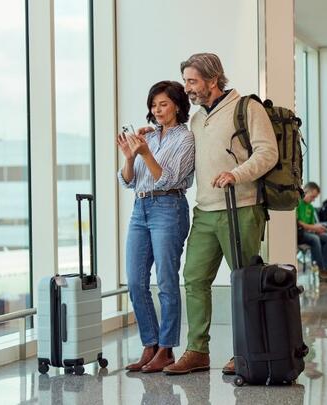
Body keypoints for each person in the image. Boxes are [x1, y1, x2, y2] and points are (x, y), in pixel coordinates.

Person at [163, 53, 278, 376]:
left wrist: (236, 174)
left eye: (193, 81)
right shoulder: (198, 118)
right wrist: (157, 133)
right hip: (205, 211)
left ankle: (246, 351)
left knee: (244, 282)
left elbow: (268, 152)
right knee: (195, 279)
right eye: (186, 81)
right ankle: (197, 351)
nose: (187, 88)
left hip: (241, 208)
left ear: (213, 80)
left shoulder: (247, 108)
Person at [116, 80, 195, 373]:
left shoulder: (184, 139)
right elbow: (128, 180)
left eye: (163, 104)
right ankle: (149, 344)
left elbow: (167, 178)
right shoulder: (148, 136)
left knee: (165, 280)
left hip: (168, 207)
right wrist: (130, 157)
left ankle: (166, 348)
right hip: (141, 207)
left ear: (176, 104)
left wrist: (146, 153)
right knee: (135, 281)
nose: (157, 110)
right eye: (153, 105)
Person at [296, 182, 327, 282]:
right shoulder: (297, 204)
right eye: (312, 197)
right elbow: (299, 223)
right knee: (315, 239)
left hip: (308, 232)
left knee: (326, 237)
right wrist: (315, 229)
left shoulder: (310, 208)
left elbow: (312, 224)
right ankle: (319, 270)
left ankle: (325, 269)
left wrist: (319, 228)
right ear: (305, 192)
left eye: (315, 197)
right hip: (298, 233)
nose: (313, 200)